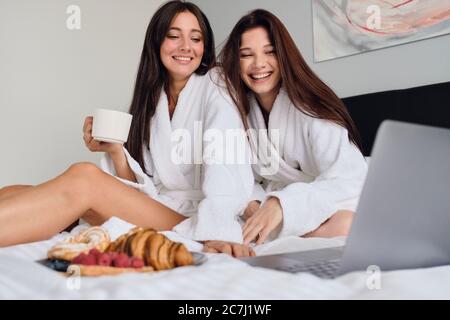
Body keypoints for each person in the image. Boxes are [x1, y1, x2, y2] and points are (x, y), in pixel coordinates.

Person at [0, 1, 255, 257]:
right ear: (157, 42)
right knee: (13, 192)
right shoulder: (154, 98)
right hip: (160, 207)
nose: (186, 46)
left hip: (197, 220)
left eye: (196, 38)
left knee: (85, 178)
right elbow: (143, 185)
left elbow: (226, 159)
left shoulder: (216, 83)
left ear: (204, 45)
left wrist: (218, 231)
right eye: (173, 36)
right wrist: (116, 151)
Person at [219, 9, 368, 245]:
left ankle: (289, 232)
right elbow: (239, 177)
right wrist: (253, 205)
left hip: (328, 202)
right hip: (269, 208)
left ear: (283, 56)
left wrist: (283, 205)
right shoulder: (239, 113)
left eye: (269, 52)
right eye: (246, 55)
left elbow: (350, 181)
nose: (258, 64)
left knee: (347, 224)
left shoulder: (313, 111)